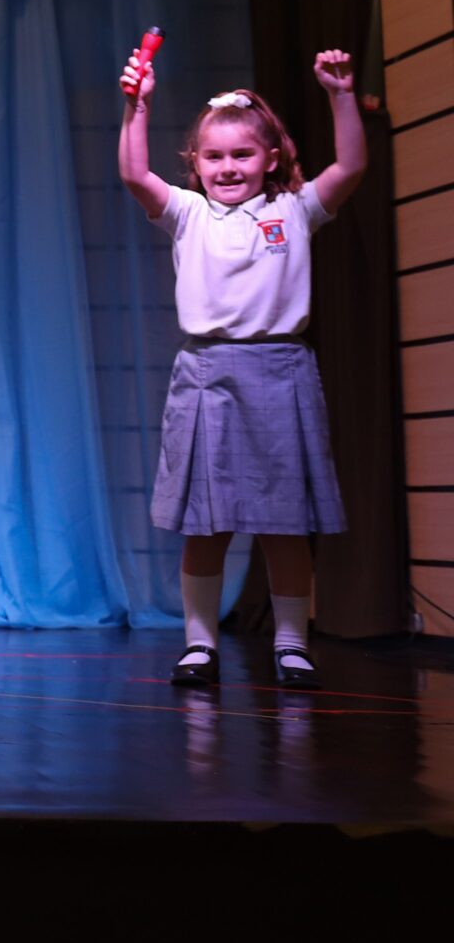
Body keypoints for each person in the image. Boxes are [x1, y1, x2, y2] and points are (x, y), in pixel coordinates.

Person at [120, 47, 364, 688]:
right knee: (207, 523)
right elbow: (134, 174)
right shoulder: (189, 212)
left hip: (281, 372)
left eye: (242, 155)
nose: (228, 167)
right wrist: (137, 107)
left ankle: (292, 644)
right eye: (214, 156)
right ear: (195, 163)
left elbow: (351, 166)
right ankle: (200, 645)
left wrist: (341, 96)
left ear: (271, 158)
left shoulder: (296, 209)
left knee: (285, 524)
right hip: (206, 374)